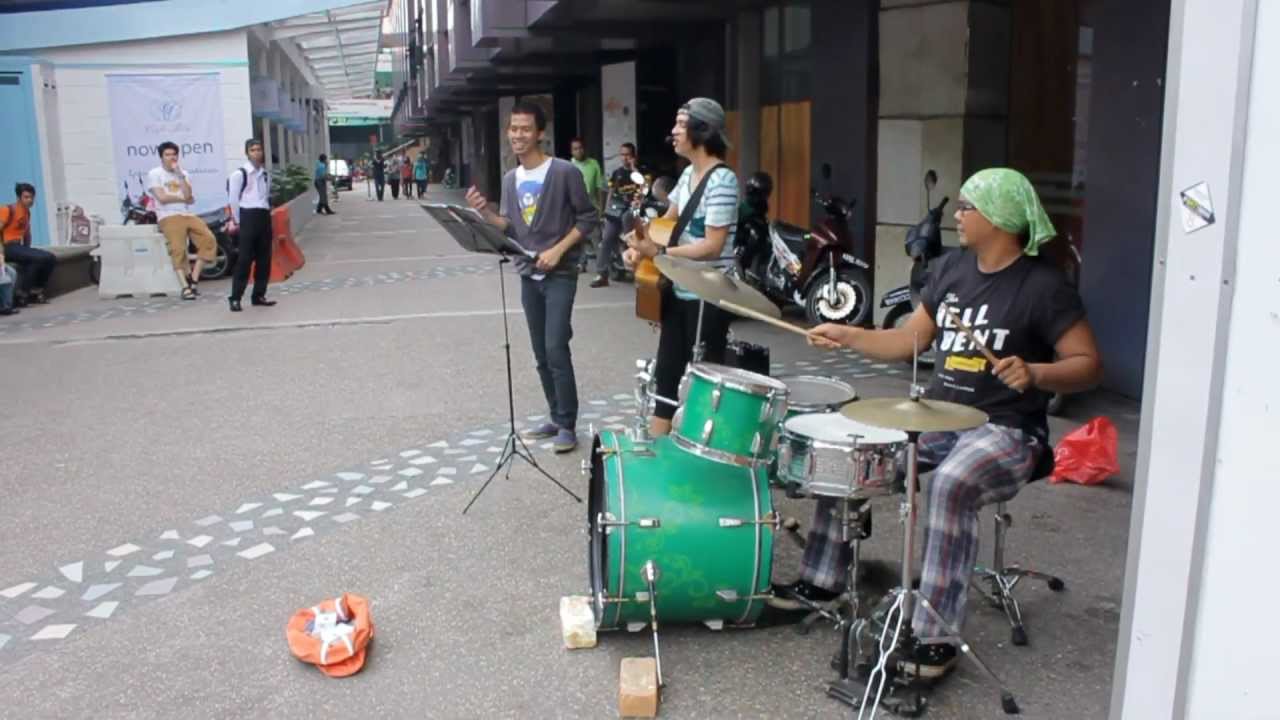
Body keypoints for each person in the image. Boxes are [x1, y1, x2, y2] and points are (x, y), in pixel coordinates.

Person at [779, 168, 1103, 681]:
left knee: (951, 484)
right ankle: (822, 580)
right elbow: (909, 340)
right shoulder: (951, 269)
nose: (957, 214)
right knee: (852, 448)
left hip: (1009, 429)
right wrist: (845, 333)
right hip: (940, 417)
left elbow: (1088, 363)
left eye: (967, 206)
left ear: (998, 218)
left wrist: (1036, 371)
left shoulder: (1045, 287)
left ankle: (934, 637)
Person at [465, 100, 597, 454]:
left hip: (561, 274)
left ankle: (567, 423)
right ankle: (555, 415)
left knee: (556, 346)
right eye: (513, 129)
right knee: (540, 352)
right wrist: (484, 213)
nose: (518, 136)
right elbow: (509, 226)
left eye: (525, 129)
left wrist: (558, 250)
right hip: (528, 274)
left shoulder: (565, 172)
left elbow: (587, 219)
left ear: (540, 133)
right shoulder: (511, 179)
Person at [624, 98, 740, 436]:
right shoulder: (689, 172)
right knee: (667, 371)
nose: (673, 132)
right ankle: (658, 450)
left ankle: (702, 451)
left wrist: (658, 252)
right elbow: (667, 221)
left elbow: (712, 245)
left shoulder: (723, 181)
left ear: (701, 131)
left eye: (680, 124)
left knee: (704, 382)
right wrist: (638, 246)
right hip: (678, 286)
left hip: (708, 293)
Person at [147, 142, 218, 300]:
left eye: (174, 154)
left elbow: (189, 195)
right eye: (167, 154)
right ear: (161, 157)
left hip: (187, 214)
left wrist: (180, 175)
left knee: (208, 239)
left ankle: (193, 278)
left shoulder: (183, 173)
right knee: (178, 249)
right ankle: (185, 287)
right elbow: (162, 198)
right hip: (168, 216)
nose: (171, 157)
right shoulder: (155, 174)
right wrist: (181, 198)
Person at [226, 139, 276, 312]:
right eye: (253, 150)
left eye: (259, 149)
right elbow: (233, 199)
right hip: (247, 215)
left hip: (263, 215)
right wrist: (238, 221)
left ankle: (259, 295)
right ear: (247, 153)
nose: (257, 152)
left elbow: (266, 196)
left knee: (264, 259)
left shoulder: (265, 174)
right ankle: (235, 297)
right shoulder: (239, 174)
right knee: (244, 260)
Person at [591, 142, 642, 288]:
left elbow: (643, 189)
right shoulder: (617, 173)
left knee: (632, 240)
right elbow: (611, 193)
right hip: (615, 212)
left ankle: (638, 273)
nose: (625, 158)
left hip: (632, 212)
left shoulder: (638, 173)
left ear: (633, 156)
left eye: (628, 155)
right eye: (623, 155)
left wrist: (633, 169)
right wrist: (605, 212)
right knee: (606, 239)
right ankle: (601, 274)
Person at [0, 183, 55, 306]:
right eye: (26, 197)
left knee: (50, 257)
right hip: (6, 247)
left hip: (18, 247)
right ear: (19, 198)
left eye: (31, 197)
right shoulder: (7, 210)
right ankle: (22, 294)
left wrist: (28, 251)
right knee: (40, 257)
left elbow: (27, 234)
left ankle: (35, 291)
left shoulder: (26, 213)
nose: (30, 200)